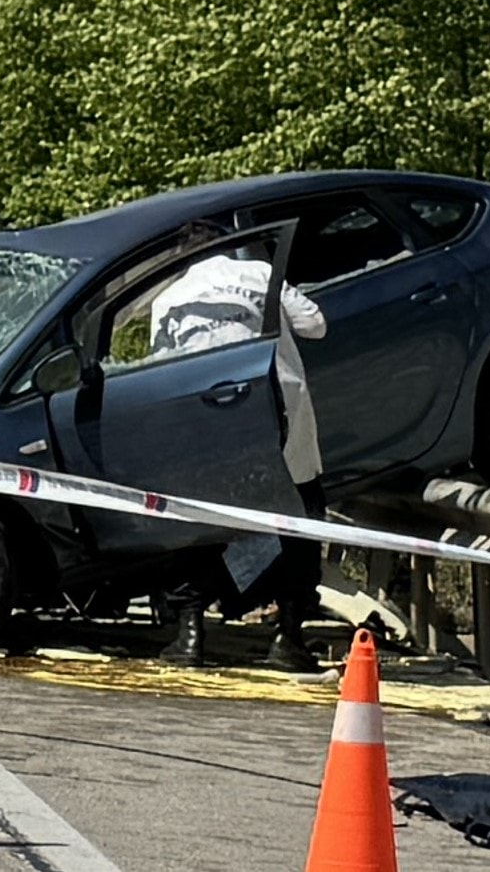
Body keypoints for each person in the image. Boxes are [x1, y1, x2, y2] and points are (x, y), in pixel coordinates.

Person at [153, 220, 329, 672]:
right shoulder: (260, 276)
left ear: (182, 258)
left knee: (191, 527)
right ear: (227, 249)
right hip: (279, 417)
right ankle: (289, 637)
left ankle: (190, 635)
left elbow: (160, 370)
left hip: (206, 430)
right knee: (300, 521)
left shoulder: (167, 300)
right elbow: (316, 325)